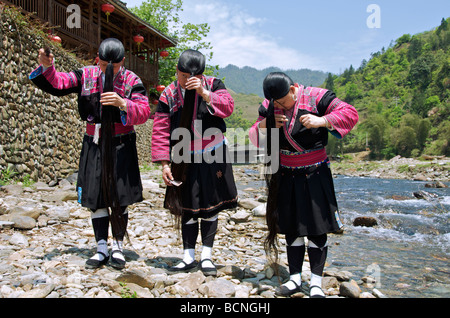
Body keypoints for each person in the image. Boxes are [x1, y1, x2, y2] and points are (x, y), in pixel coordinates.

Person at [29, 38, 151, 270]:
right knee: (96, 196)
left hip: (121, 144)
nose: (107, 70)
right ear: (97, 59)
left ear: (123, 61)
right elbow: (59, 82)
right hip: (94, 141)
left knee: (120, 196)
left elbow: (144, 111)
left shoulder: (131, 80)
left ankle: (118, 246)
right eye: (103, 65)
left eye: (113, 67)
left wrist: (123, 103)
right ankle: (101, 247)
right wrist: (47, 66)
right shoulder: (86, 75)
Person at [249, 72, 358, 297]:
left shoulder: (317, 97)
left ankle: (316, 283)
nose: (279, 106)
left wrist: (323, 120)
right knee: (292, 228)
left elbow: (350, 113)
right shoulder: (269, 105)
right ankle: (295, 279)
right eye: (275, 103)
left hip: (315, 173)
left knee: (317, 230)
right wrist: (265, 124)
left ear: (292, 89)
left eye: (282, 101)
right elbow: (253, 135)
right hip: (285, 174)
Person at [151, 49, 238, 276]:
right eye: (181, 75)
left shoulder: (214, 84)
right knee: (187, 206)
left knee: (211, 206)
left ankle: (206, 257)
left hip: (213, 153)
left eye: (192, 77)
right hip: (182, 156)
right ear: (177, 71)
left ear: (201, 74)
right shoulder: (169, 94)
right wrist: (164, 163)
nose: (185, 80)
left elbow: (228, 107)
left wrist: (205, 93)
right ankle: (188, 257)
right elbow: (160, 128)